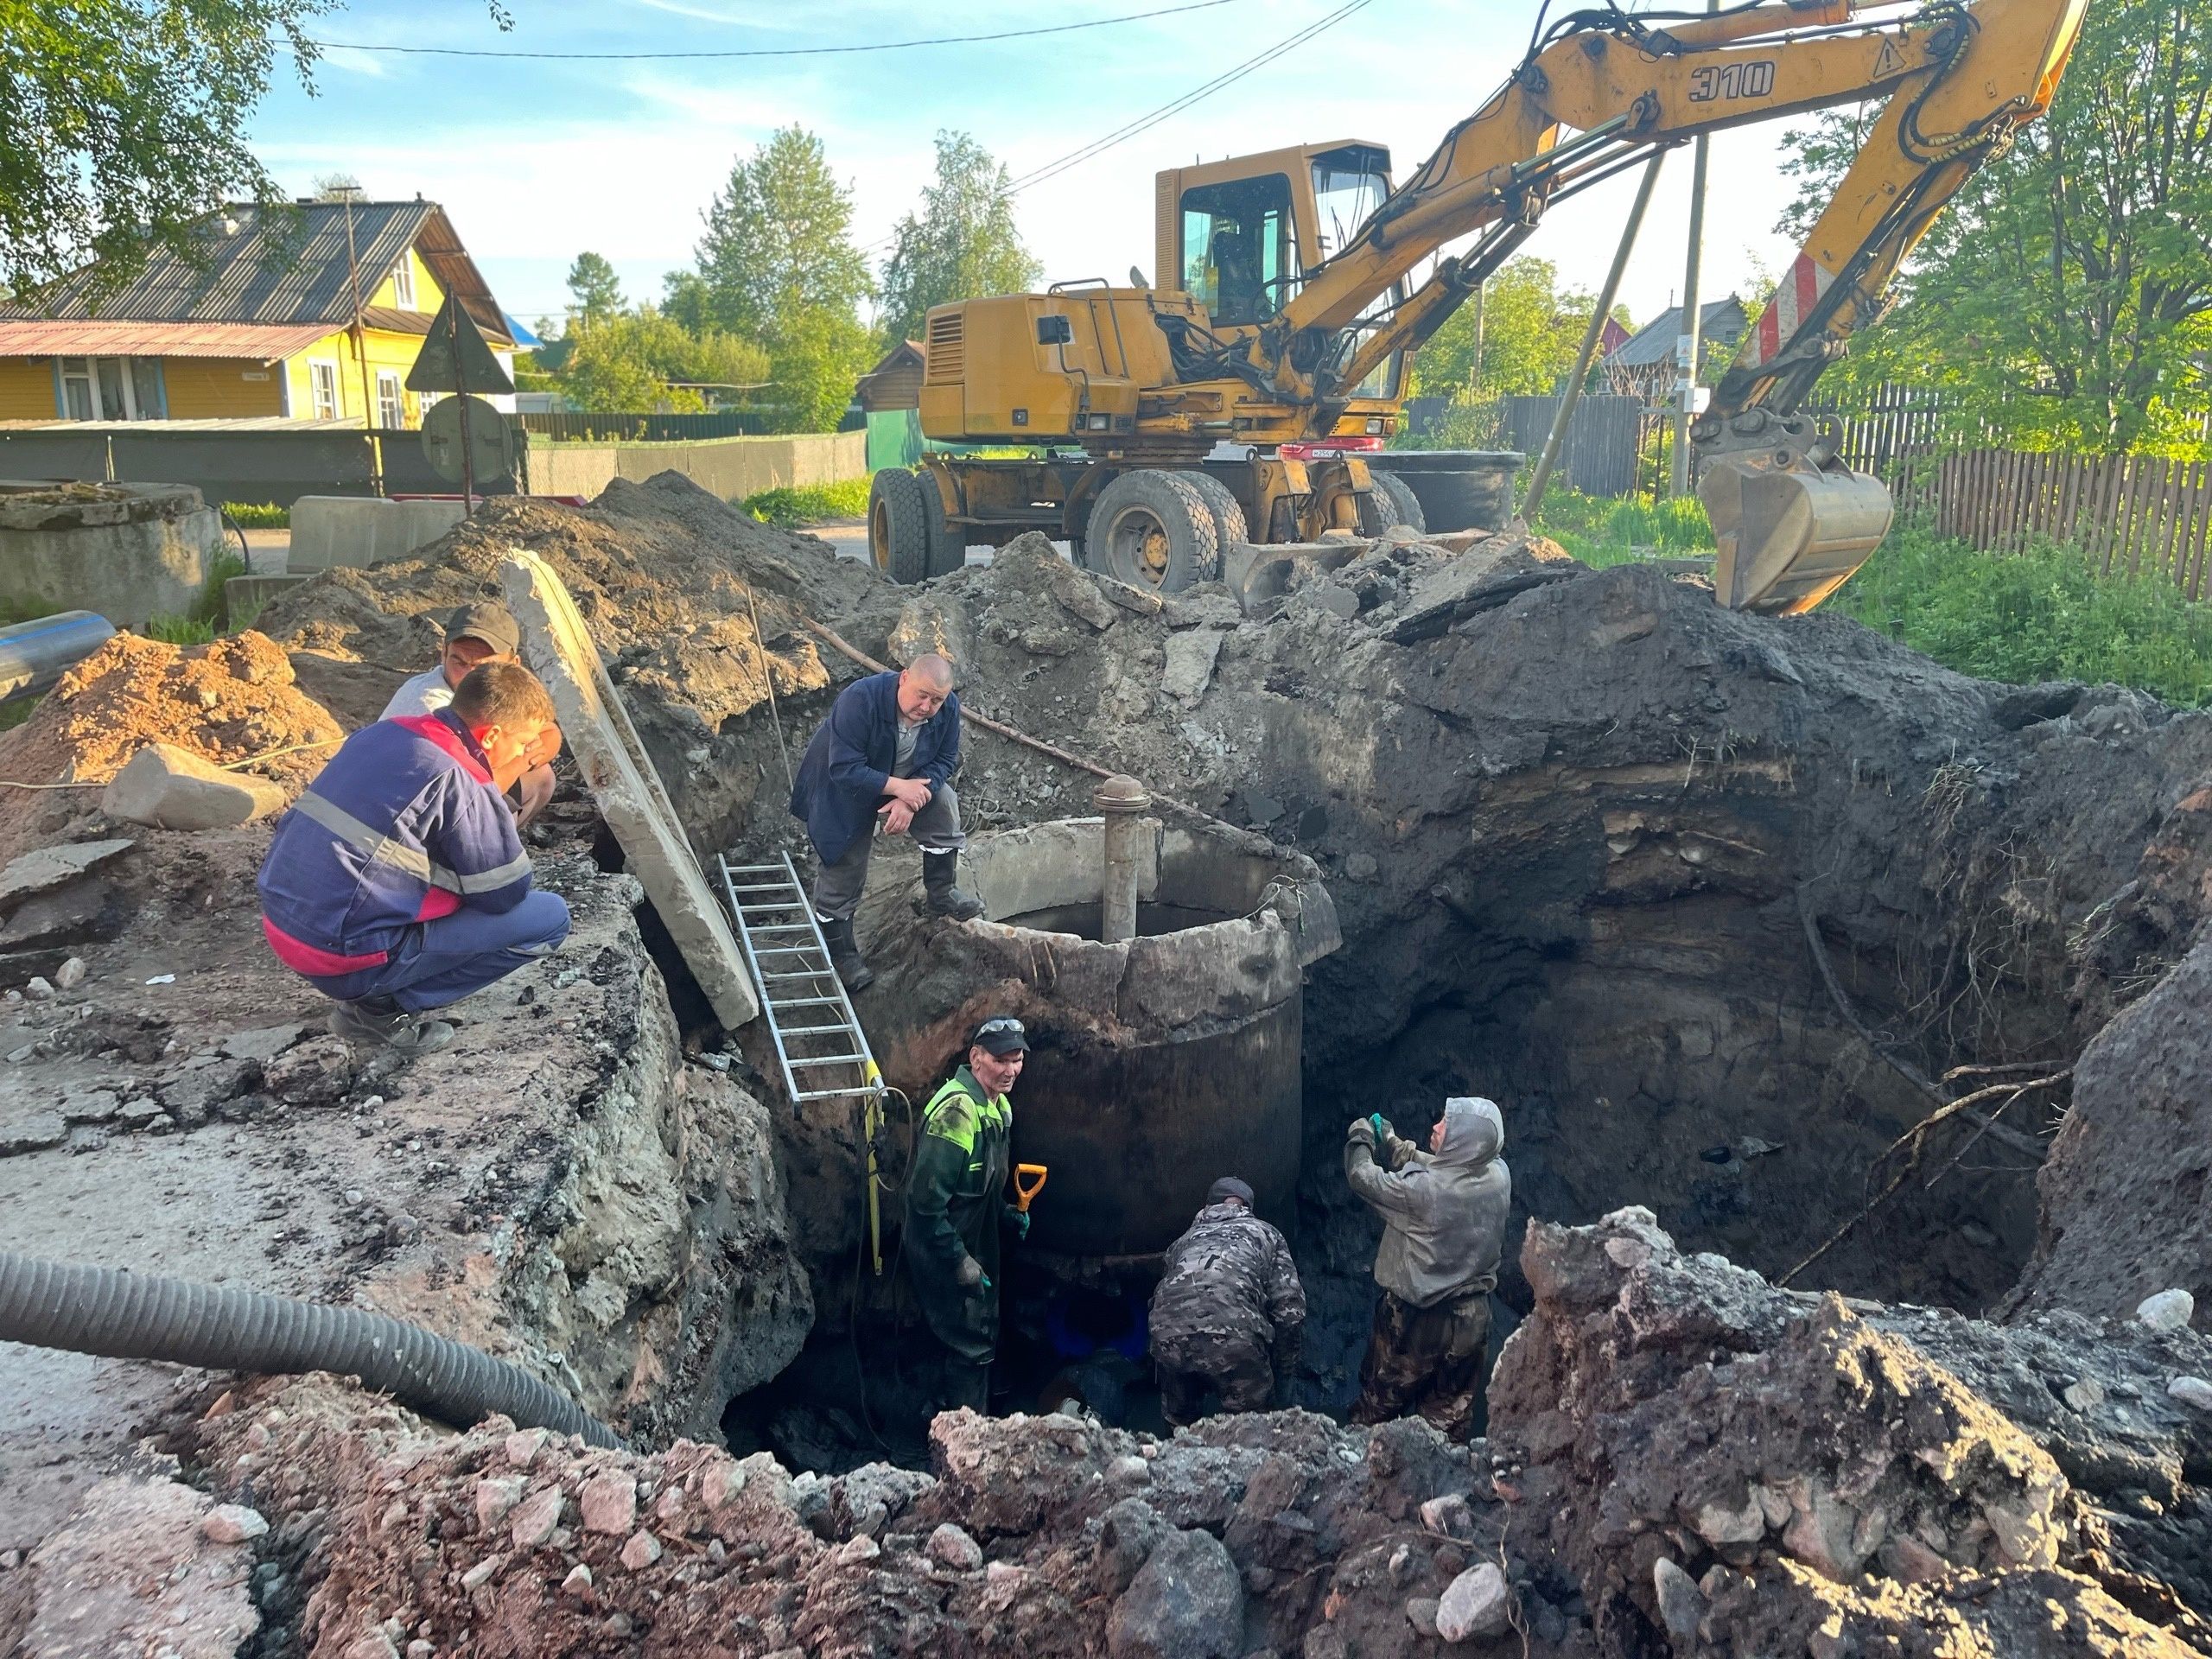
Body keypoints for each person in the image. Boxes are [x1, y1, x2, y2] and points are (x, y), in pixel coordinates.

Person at [258, 661, 571, 1058]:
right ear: (492, 735)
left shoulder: (381, 732)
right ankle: (381, 1011)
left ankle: (373, 993)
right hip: (340, 957)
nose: (526, 753)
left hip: (282, 927)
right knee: (549, 918)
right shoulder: (462, 776)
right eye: (523, 744)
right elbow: (505, 894)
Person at [787, 652, 982, 989]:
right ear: (904, 678)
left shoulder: (947, 708)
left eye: (936, 700)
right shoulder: (860, 699)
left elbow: (946, 759)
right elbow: (844, 768)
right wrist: (899, 788)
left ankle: (941, 894)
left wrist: (909, 800)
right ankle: (843, 955)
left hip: (904, 782)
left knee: (943, 802)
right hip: (843, 788)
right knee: (844, 865)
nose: (927, 706)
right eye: (922, 695)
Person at [1344, 1096, 1511, 1440]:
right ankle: (1441, 1481)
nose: (1436, 1126)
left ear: (1463, 1142)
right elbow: (1445, 1169)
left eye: (1446, 1126)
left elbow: (1362, 1177)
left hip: (1419, 1321)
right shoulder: (1497, 1173)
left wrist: (1360, 1137)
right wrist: (1394, 1143)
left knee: (1379, 1407)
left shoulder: (1424, 1192)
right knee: (1448, 1416)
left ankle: (1360, 1470)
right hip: (1473, 1320)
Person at [906, 1015, 1028, 1414]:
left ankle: (953, 1415)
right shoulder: (957, 1112)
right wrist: (959, 1261)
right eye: (1000, 1060)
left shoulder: (998, 1108)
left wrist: (1006, 1214)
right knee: (970, 1344)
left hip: (977, 1242)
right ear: (976, 1057)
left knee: (980, 1335)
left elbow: (981, 1189)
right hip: (942, 1247)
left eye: (1017, 1060)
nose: (1010, 1070)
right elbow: (925, 1206)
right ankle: (964, 1439)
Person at [383, 602, 557, 829]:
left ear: (512, 667)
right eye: (460, 662)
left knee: (542, 776)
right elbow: (471, 791)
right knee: (493, 804)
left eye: (483, 668)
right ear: (444, 653)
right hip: (405, 817)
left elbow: (549, 731)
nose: (469, 676)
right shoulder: (432, 706)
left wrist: (532, 749)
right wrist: (524, 757)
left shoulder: (502, 691)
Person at [1148, 1176, 1306, 1426]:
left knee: (1180, 1429)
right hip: (1236, 1340)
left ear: (1207, 1206)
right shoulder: (1267, 1234)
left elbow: (1164, 1299)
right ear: (1246, 1207)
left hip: (1169, 1339)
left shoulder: (1181, 1242)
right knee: (1254, 1429)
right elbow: (1290, 1313)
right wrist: (1283, 1375)